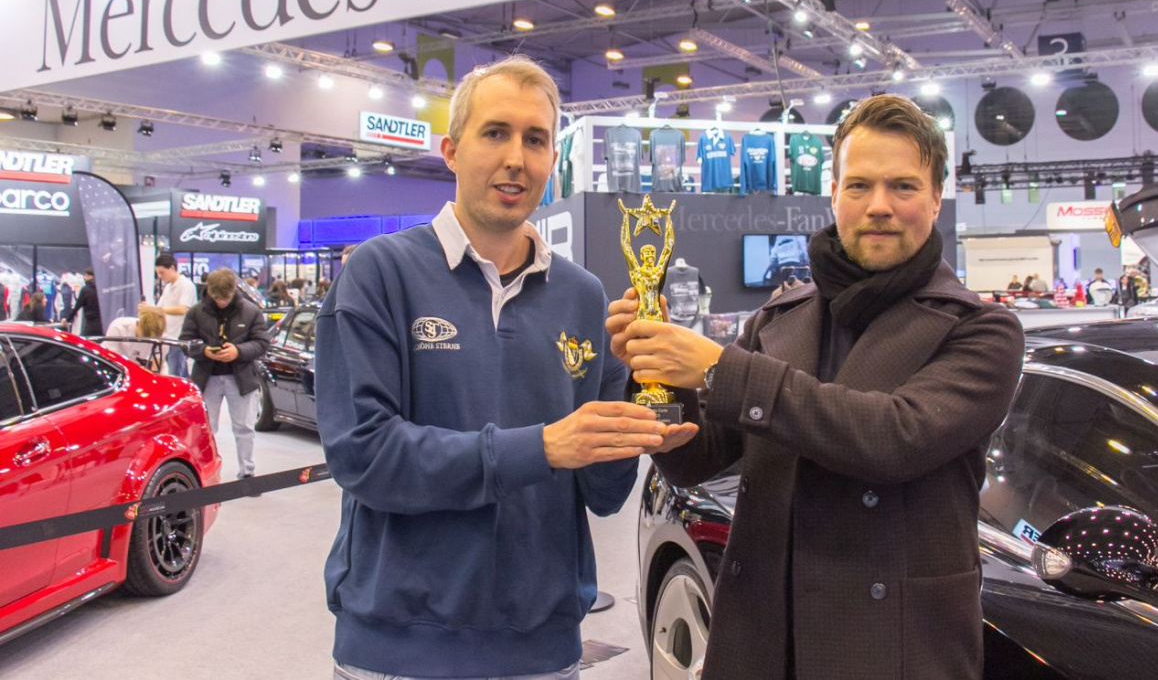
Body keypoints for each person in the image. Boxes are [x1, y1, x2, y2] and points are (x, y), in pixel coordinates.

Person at [607, 95, 1023, 680]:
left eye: (902, 186)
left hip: (889, 648)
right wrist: (657, 372)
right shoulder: (781, 317)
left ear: (936, 197)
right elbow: (696, 460)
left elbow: (893, 438)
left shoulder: (981, 329)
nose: (879, 205)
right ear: (833, 194)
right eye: (859, 186)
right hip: (759, 641)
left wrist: (719, 368)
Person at [315, 54, 674, 680]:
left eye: (535, 140)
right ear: (452, 152)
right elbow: (364, 456)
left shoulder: (584, 296)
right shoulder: (379, 273)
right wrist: (543, 447)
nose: (516, 158)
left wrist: (640, 391)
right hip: (397, 651)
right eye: (495, 133)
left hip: (543, 651)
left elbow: (604, 494)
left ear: (552, 160)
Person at [180, 267, 270, 481]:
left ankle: (247, 472)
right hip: (206, 378)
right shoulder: (196, 312)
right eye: (217, 298)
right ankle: (204, 473)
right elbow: (185, 342)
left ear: (234, 291)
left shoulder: (251, 311)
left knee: (245, 427)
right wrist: (204, 351)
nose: (221, 302)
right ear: (209, 292)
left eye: (225, 298)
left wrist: (238, 351)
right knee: (205, 429)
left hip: (242, 379)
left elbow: (262, 343)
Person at [141, 253, 198, 377]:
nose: (160, 276)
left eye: (162, 272)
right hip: (167, 337)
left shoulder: (186, 285)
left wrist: (155, 309)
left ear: (172, 268)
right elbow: (159, 308)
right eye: (158, 273)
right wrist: (148, 309)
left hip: (179, 337)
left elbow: (183, 309)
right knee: (177, 372)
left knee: (176, 374)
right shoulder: (168, 287)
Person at [63, 267, 102, 336]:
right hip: (101, 324)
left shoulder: (85, 290)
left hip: (90, 323)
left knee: (86, 340)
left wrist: (67, 319)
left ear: (89, 276)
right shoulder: (100, 289)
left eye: (86, 276)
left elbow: (77, 307)